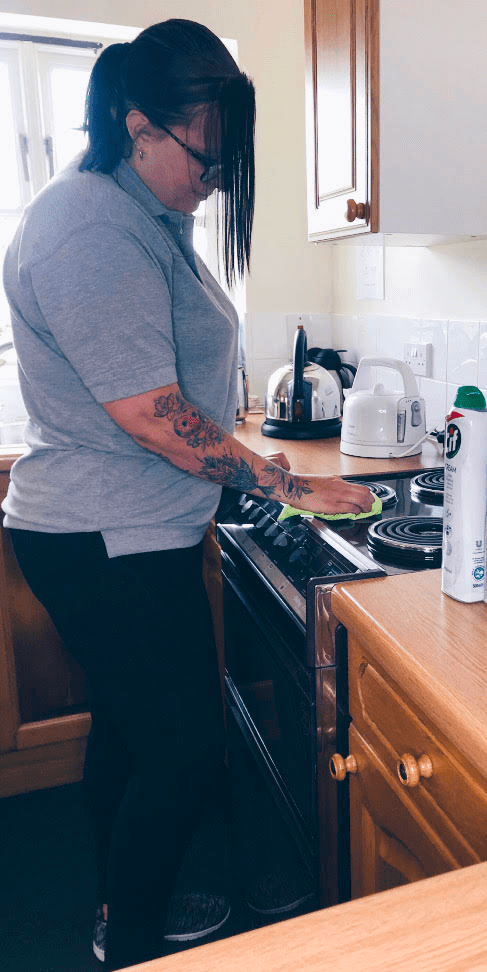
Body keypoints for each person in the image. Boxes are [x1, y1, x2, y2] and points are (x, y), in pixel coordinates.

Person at [1, 19, 372, 971]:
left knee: (131, 730)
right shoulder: (92, 224)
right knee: (181, 746)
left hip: (125, 529)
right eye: (208, 157)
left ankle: (118, 906)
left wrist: (258, 467)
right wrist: (285, 481)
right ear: (139, 127)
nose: (216, 180)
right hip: (106, 536)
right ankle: (131, 943)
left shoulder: (140, 216)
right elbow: (157, 413)